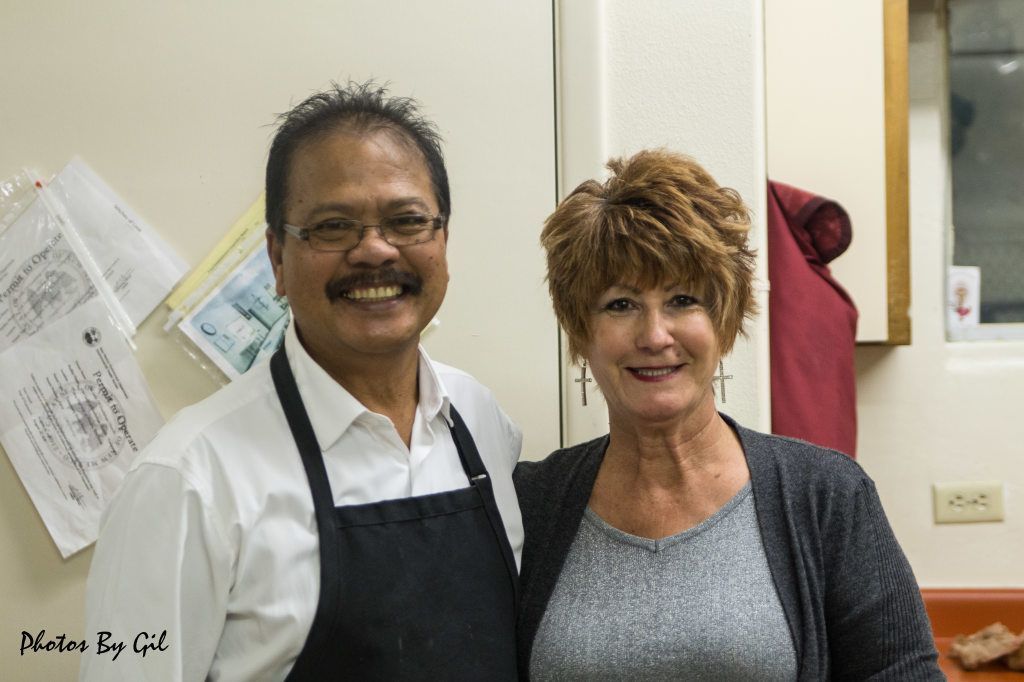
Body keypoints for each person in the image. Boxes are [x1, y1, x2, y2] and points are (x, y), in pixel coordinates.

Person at [82, 82, 523, 681]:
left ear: (443, 241)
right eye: (333, 227)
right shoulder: (187, 480)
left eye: (407, 220)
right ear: (277, 259)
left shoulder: (481, 419)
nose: (374, 250)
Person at [515, 149, 942, 680]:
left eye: (682, 299)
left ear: (725, 319)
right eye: (620, 304)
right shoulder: (530, 504)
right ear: (582, 334)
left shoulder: (827, 495)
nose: (654, 336)